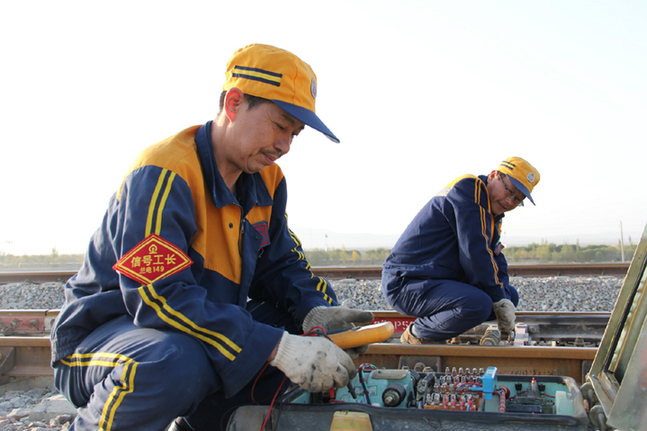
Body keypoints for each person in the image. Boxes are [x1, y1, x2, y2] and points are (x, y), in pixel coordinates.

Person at [50, 43, 374, 431]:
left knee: (300, 330)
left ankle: (207, 423)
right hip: (105, 341)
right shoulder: (165, 173)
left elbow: (282, 264)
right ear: (234, 103)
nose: (285, 145)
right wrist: (276, 347)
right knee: (175, 360)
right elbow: (157, 298)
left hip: (189, 332)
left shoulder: (265, 179)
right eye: (280, 125)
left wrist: (313, 312)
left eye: (295, 133)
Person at [381, 157, 540, 344]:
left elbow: (495, 257)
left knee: (509, 295)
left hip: (434, 280)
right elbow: (475, 251)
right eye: (509, 191)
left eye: (517, 200)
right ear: (494, 175)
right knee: (479, 304)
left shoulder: (489, 213)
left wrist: (503, 299)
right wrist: (497, 299)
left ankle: (444, 328)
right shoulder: (470, 188)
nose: (510, 201)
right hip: (407, 282)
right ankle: (417, 334)